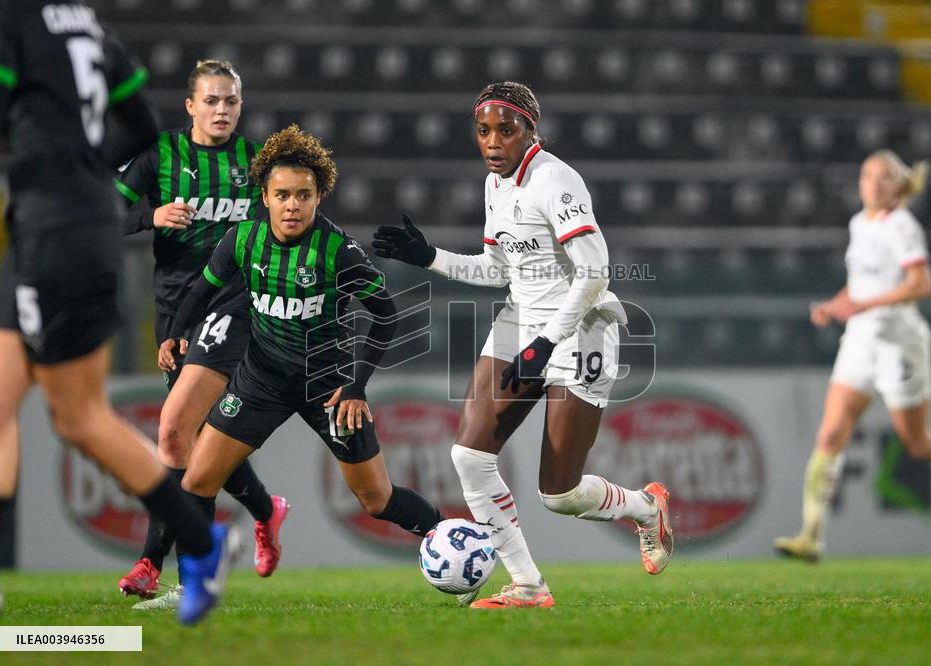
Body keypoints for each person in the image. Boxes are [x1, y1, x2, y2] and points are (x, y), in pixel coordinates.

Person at [373, 81, 673, 609]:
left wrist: (547, 341)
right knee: (468, 456)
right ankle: (529, 586)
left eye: (506, 130)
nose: (493, 142)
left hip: (580, 328)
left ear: (530, 130)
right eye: (484, 131)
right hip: (520, 322)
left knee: (559, 494)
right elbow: (497, 269)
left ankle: (645, 508)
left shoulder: (555, 180)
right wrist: (429, 257)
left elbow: (595, 271)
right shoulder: (496, 184)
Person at [0, 0, 233, 625]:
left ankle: (204, 543)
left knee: (79, 419)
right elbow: (141, 126)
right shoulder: (87, 24)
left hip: (56, 232)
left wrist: (57, 172)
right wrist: (82, 173)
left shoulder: (5, 22)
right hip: (59, 226)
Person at [158, 124, 443, 566]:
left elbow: (386, 315)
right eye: (283, 194)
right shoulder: (242, 238)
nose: (293, 205)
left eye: (304, 195)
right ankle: (191, 587)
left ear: (318, 197)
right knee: (196, 481)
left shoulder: (338, 251)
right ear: (266, 197)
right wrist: (176, 332)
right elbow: (200, 291)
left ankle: (449, 540)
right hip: (261, 379)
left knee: (376, 500)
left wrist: (355, 387)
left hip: (327, 387)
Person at [114, 59, 287, 610]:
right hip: (173, 313)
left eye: (231, 101)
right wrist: (150, 217)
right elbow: (99, 211)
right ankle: (264, 510)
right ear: (190, 106)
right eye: (211, 100)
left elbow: (287, 222)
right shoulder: (160, 156)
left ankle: (155, 562)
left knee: (176, 436)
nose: (221, 110)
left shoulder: (255, 161)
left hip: (233, 307)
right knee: (196, 440)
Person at [774, 150, 931, 562]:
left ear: (899, 186)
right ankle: (810, 536)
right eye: (867, 174)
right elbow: (861, 285)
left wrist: (866, 306)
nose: (873, 182)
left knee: (918, 444)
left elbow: (922, 283)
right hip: (860, 342)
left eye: (884, 176)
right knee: (831, 434)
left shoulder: (901, 226)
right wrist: (835, 306)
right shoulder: (858, 223)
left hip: (899, 344)